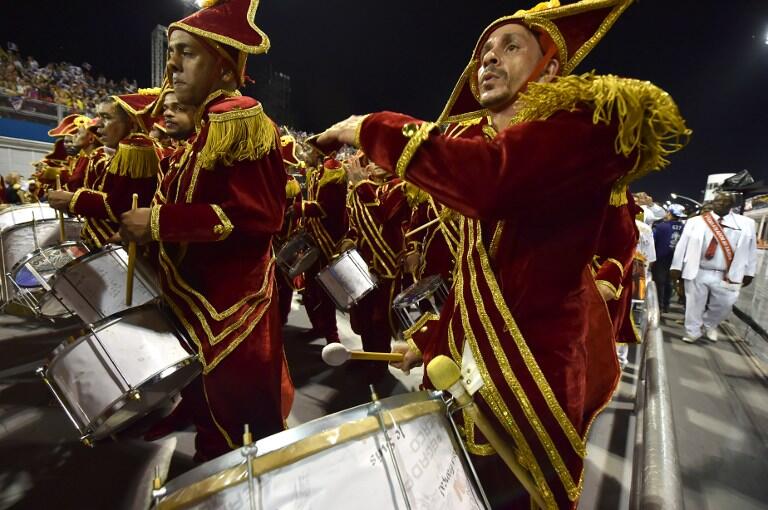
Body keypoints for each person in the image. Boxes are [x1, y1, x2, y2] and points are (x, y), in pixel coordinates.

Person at [317, 0, 690, 507]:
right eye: (483, 53)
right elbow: (474, 275)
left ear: (551, 67)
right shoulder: (489, 141)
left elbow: (493, 180)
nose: (487, 61)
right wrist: (431, 344)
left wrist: (370, 127)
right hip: (470, 369)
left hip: (533, 377)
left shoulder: (583, 127)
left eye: (509, 47)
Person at [119, 0, 294, 462]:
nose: (170, 64)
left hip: (230, 314)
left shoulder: (239, 117)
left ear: (222, 66)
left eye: (186, 53)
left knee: (234, 442)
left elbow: (257, 217)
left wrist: (157, 224)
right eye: (171, 51)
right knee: (209, 414)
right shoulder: (203, 129)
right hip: (198, 302)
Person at [48, 92, 161, 250]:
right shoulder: (116, 152)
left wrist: (72, 200)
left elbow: (121, 207)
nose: (98, 124)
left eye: (106, 117)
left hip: (128, 251)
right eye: (99, 117)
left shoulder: (137, 149)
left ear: (133, 125)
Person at [670, 192, 757, 343]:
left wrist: (750, 271)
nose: (721, 203)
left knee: (725, 304)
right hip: (698, 270)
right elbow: (682, 245)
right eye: (719, 200)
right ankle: (693, 331)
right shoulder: (695, 222)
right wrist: (676, 266)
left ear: (732, 204)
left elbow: (751, 249)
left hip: (727, 274)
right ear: (713, 201)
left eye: (726, 201)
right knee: (694, 304)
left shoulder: (746, 223)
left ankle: (709, 324)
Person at [651, 203, 685, 312]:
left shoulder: (661, 226)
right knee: (669, 282)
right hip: (676, 259)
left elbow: (653, 242)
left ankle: (659, 307)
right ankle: (666, 305)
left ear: (669, 213)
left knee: (659, 282)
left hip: (661, 259)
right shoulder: (685, 227)